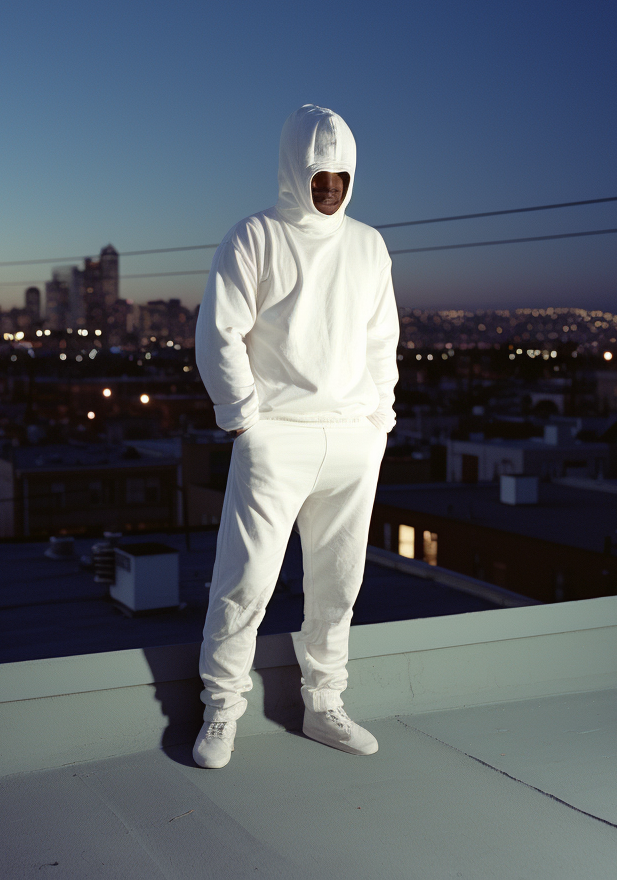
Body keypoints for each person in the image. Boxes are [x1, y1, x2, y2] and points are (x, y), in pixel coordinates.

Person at [191, 104, 399, 769]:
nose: (331, 187)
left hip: (352, 440)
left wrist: (379, 419)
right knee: (246, 581)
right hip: (276, 436)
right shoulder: (253, 237)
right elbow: (216, 332)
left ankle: (325, 703)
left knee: (339, 582)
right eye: (319, 174)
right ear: (292, 169)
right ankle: (221, 711)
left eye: (342, 175)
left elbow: (381, 338)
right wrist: (244, 417)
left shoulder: (369, 244)